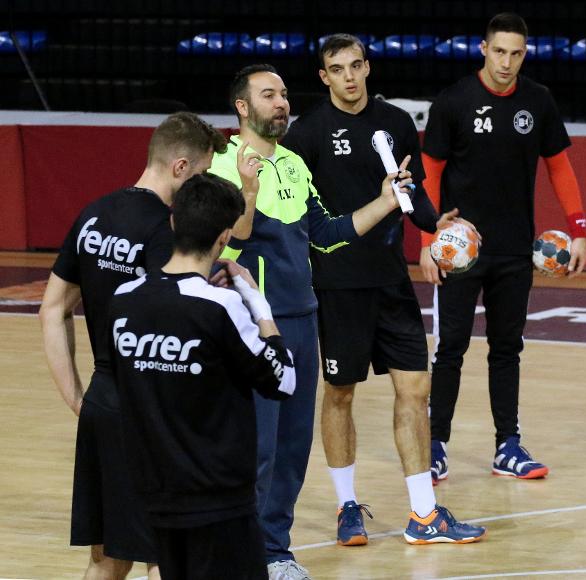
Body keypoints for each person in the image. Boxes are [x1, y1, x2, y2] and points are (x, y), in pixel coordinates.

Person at [209, 63, 418, 579]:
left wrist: (386, 200)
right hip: (251, 324)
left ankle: (275, 550)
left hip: (302, 320)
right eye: (268, 95)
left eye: (283, 94)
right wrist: (248, 192)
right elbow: (218, 248)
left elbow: (327, 233)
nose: (281, 103)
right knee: (254, 448)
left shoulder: (296, 164)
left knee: (291, 447)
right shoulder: (218, 165)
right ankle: (238, 552)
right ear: (242, 107)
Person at [281, 33, 486, 547]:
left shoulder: (395, 123)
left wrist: (438, 226)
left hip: (391, 282)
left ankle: (423, 514)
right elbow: (307, 218)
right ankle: (347, 506)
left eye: (356, 66)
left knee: (415, 390)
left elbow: (405, 192)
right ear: (323, 77)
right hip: (336, 284)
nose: (349, 77)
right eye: (337, 69)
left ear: (367, 68)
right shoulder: (305, 134)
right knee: (340, 394)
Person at [39, 112, 226, 579]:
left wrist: (78, 398)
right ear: (180, 167)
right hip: (155, 413)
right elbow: (180, 326)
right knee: (165, 558)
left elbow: (52, 309)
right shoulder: (166, 236)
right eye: (201, 174)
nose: (200, 187)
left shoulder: (93, 215)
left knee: (106, 558)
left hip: (104, 403)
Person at [419, 13, 586, 483]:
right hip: (459, 250)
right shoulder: (454, 101)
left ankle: (507, 446)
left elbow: (560, 168)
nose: (506, 62)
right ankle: (435, 445)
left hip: (515, 251)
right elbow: (429, 172)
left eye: (516, 53)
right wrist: (427, 241)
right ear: (483, 48)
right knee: (449, 347)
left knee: (507, 349)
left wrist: (579, 229)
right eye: (499, 51)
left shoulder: (538, 100)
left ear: (525, 53)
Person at [108, 173, 296, 580]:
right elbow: (282, 380)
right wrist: (258, 304)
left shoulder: (122, 302)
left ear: (173, 222)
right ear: (224, 237)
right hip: (219, 502)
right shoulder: (221, 306)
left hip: (155, 495)